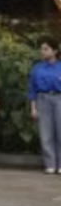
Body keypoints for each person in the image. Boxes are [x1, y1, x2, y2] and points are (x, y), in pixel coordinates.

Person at [31, 39, 61, 174]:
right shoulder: (37, 68)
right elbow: (32, 89)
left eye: (46, 49)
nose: (43, 52)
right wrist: (33, 107)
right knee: (45, 133)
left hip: (59, 97)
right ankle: (50, 164)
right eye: (42, 49)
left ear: (55, 51)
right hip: (42, 98)